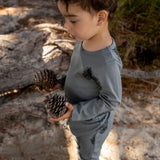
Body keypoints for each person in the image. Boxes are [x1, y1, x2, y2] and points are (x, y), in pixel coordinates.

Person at [50, 0, 122, 159]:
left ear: (100, 18)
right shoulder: (83, 40)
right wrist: (60, 82)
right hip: (78, 119)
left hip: (93, 127)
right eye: (65, 19)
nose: (66, 26)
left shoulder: (106, 62)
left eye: (73, 20)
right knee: (81, 146)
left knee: (88, 155)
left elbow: (112, 100)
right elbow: (79, 74)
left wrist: (76, 111)